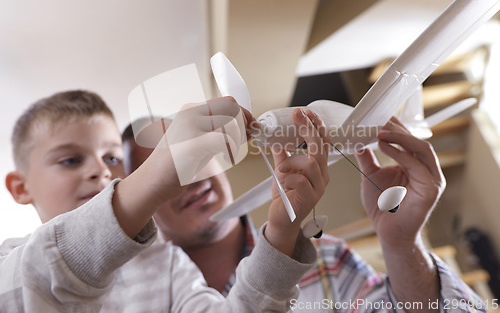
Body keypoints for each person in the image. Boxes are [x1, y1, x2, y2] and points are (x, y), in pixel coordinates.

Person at [0, 90, 331, 312]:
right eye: (71, 160)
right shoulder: (8, 261)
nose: (100, 170)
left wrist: (280, 234)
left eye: (112, 159)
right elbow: (33, 281)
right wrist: (152, 178)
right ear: (19, 187)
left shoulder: (167, 266)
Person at [123, 116, 487, 313]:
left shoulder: (325, 259)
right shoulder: (141, 302)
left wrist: (402, 243)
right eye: (164, 171)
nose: (189, 179)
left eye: (194, 155)